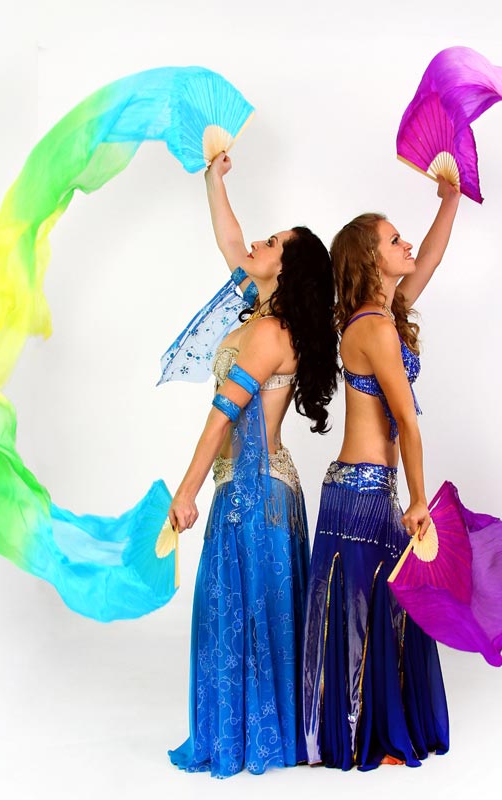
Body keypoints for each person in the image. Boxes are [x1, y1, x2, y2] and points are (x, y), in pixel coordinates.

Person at [168, 153, 338, 778]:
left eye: (273, 244)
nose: (258, 245)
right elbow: (232, 243)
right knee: (241, 609)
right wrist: (214, 178)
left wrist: (185, 492)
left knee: (248, 611)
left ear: (286, 272)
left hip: (254, 489)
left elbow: (221, 419)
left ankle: (258, 739)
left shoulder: (270, 334)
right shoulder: (261, 311)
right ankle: (256, 733)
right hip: (254, 486)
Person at [300, 178, 460, 770]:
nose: (406, 244)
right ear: (371, 259)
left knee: (388, 608)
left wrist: (450, 199)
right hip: (361, 492)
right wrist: (419, 500)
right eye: (394, 240)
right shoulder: (374, 327)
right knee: (366, 611)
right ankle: (361, 735)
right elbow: (407, 422)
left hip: (369, 488)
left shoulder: (382, 314)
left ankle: (376, 729)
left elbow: (431, 257)